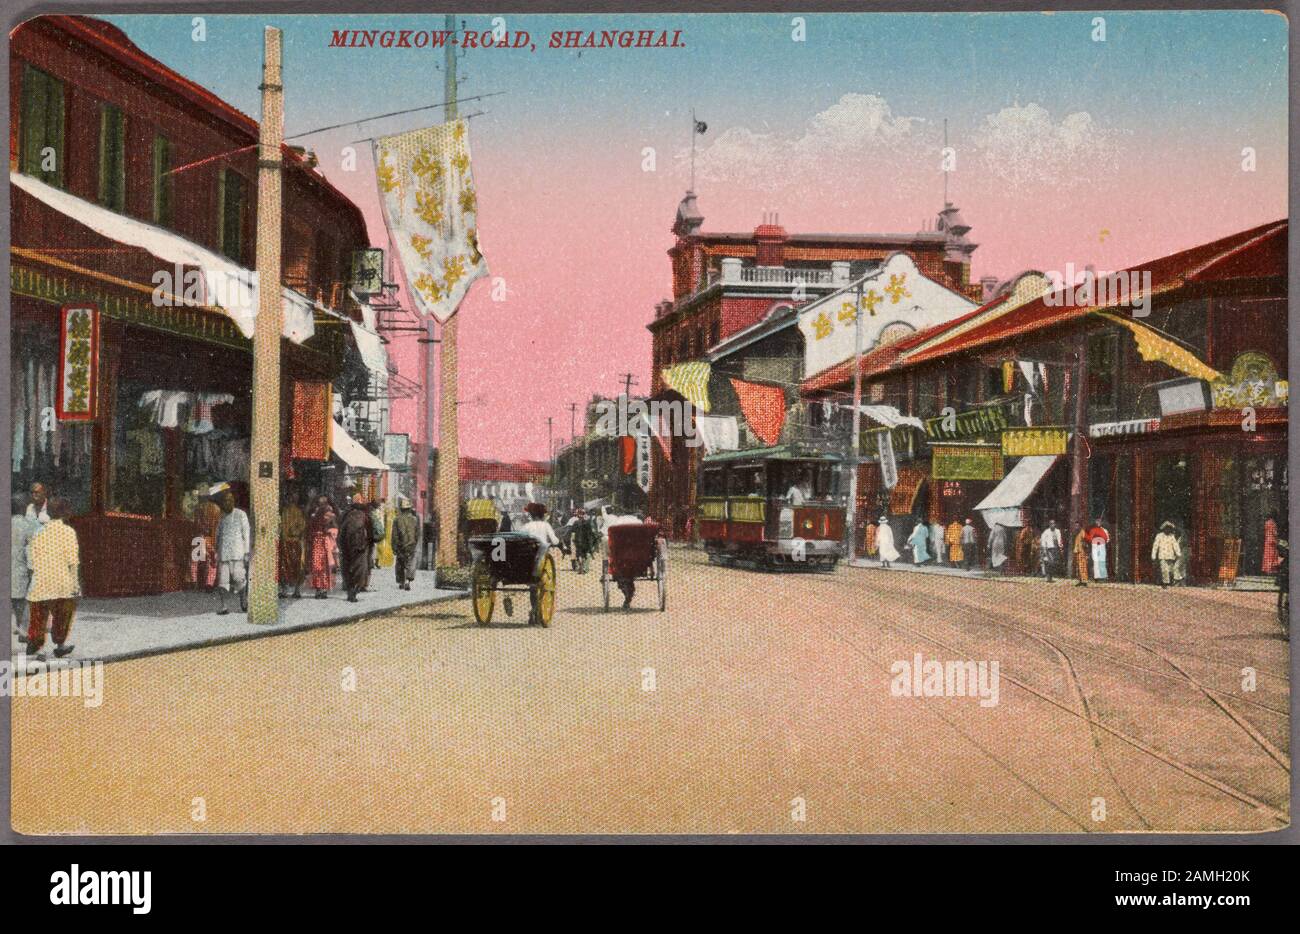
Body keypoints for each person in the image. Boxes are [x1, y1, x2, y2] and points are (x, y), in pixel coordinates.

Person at [25, 497, 80, 660]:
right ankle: (60, 645)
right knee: (63, 615)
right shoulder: (69, 532)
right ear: (65, 513)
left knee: (38, 615)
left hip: (41, 580)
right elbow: (73, 561)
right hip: (62, 581)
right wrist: (75, 584)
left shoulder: (38, 532)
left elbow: (31, 560)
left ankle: (39, 648)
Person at [521, 502, 562, 618]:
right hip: (539, 560)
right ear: (543, 515)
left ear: (531, 515)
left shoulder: (526, 526)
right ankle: (536, 610)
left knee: (532, 588)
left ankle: (534, 609)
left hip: (525, 562)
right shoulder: (546, 526)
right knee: (537, 585)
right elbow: (554, 541)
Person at [215, 490, 251, 615]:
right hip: (224, 554)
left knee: (239, 579)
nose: (228, 502)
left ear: (234, 501)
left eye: (230, 500)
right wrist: (216, 551)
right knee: (222, 581)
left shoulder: (241, 514)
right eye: (225, 500)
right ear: (222, 503)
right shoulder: (221, 517)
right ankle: (224, 606)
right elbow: (218, 535)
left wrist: (246, 552)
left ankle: (243, 601)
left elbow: (246, 533)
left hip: (237, 554)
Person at [11, 493, 40, 644]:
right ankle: (24, 632)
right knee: (23, 604)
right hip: (20, 572)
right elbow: (31, 550)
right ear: (22, 508)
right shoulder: (27, 526)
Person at [339, 494, 373, 603]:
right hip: (361, 547)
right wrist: (370, 544)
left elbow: (341, 532)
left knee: (347, 569)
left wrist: (341, 546)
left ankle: (350, 590)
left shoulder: (346, 514)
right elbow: (372, 533)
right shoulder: (366, 515)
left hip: (347, 547)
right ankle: (355, 590)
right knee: (360, 570)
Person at [308, 496, 339, 598]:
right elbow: (335, 529)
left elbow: (334, 528)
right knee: (322, 566)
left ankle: (320, 589)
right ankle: (322, 589)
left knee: (319, 565)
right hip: (321, 542)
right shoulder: (324, 515)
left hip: (319, 542)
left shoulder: (316, 516)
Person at [278, 494, 307, 599]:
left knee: (296, 566)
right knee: (284, 567)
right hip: (285, 542)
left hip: (294, 543)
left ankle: (296, 590)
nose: (290, 499)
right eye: (289, 498)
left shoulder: (298, 512)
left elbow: (302, 526)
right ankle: (285, 590)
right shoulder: (283, 511)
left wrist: (294, 532)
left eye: (292, 498)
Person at [390, 496, 420, 591]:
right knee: (410, 563)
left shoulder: (397, 519)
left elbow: (394, 535)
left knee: (400, 564)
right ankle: (408, 580)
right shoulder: (415, 519)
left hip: (400, 545)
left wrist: (394, 547)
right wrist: (415, 542)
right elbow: (417, 533)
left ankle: (401, 582)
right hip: (411, 545)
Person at [1152, 521, 1182, 589]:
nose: (1168, 530)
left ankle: (1171, 581)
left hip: (1170, 556)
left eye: (1169, 528)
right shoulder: (1159, 536)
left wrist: (1178, 553)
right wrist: (1153, 555)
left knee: (1170, 570)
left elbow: (1175, 545)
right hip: (1162, 555)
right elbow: (1155, 546)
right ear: (1164, 528)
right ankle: (1165, 583)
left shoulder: (1172, 536)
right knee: (1164, 569)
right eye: (1166, 528)